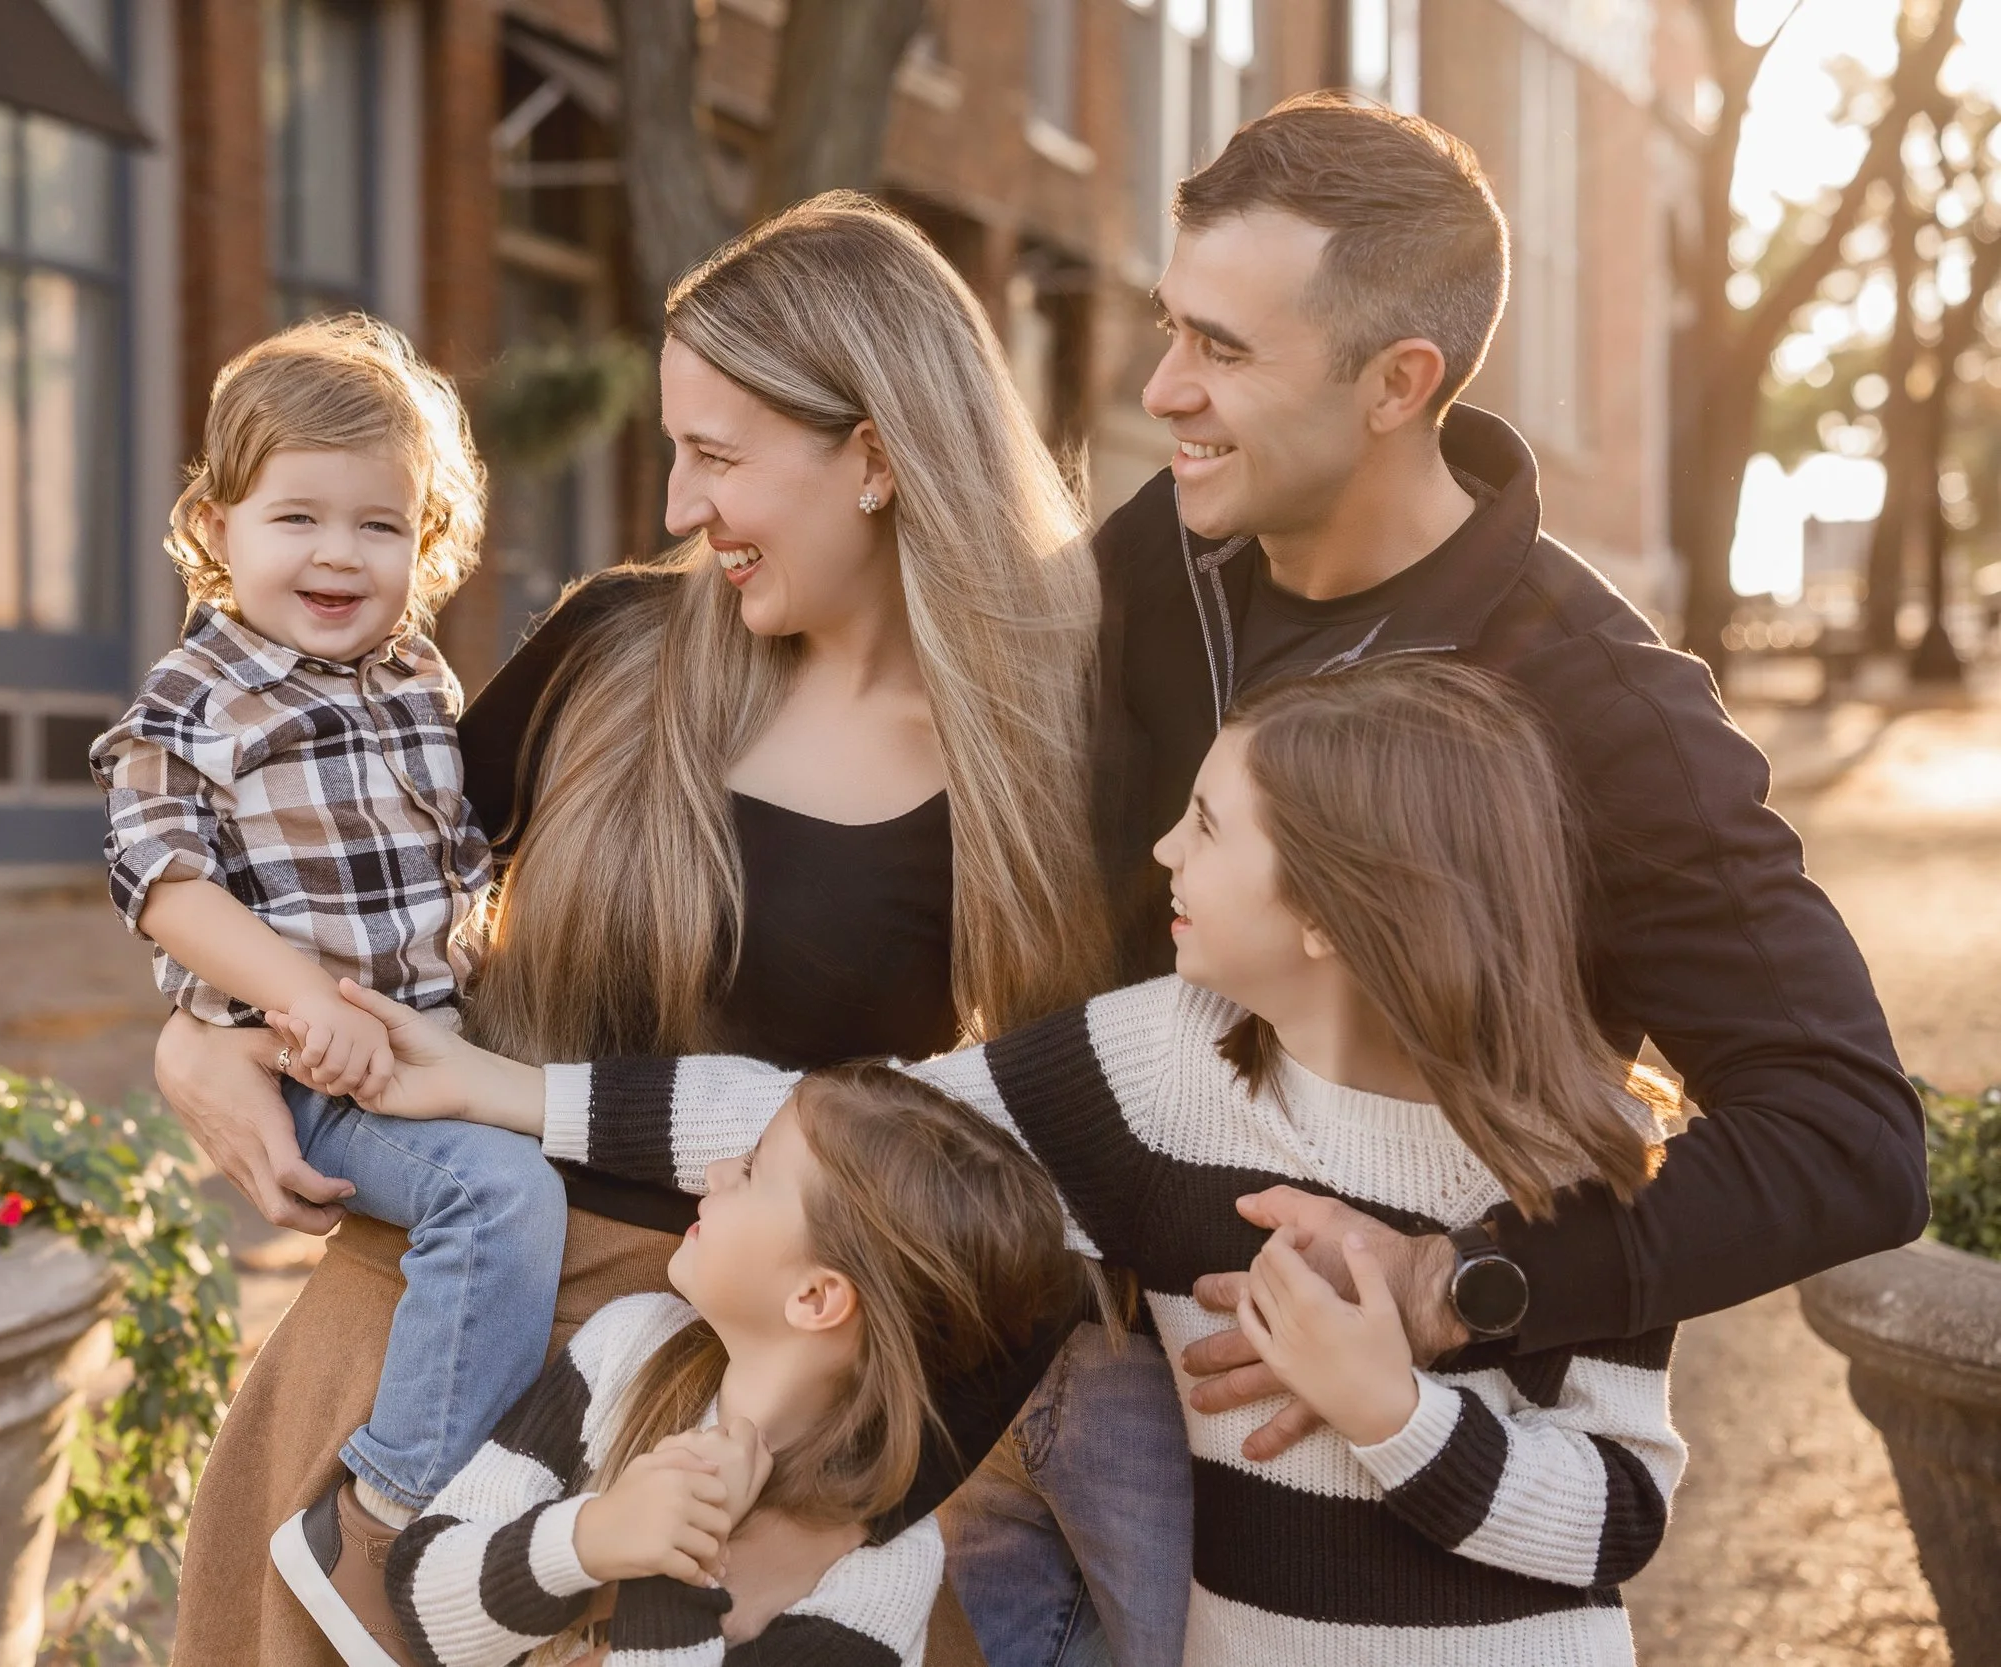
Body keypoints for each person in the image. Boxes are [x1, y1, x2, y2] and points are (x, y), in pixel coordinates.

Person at [160, 197, 1129, 1667]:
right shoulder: (614, 650)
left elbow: (1034, 1214)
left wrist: (848, 1502)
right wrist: (198, 1032)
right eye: (676, 451)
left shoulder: (1042, 762)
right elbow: (326, 872)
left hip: (702, 1442)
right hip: (406, 1369)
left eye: (717, 456)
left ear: (876, 455)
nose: (678, 505)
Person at [335, 654, 1690, 1664]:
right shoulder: (1166, 1064)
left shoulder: (1588, 1152)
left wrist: (1391, 1411)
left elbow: (1620, 1514)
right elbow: (853, 1135)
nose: (1162, 847)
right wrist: (503, 1088)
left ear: (1339, 908)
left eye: (1209, 825)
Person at [1088, 93, 1923, 1482]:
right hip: (1105, 1423)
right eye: (1170, 325)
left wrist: (1453, 1280)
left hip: (1406, 1497)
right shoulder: (1154, 561)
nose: (1162, 389)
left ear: (1396, 383)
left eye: (1222, 349)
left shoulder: (1608, 713)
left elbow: (1847, 1139)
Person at [88, 317, 566, 1656]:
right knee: (499, 1193)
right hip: (312, 1068)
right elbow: (163, 880)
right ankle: (384, 1515)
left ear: (430, 540)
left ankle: (487, 1468)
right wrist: (298, 1004)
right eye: (296, 516)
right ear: (216, 524)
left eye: (379, 525)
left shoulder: (415, 674)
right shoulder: (198, 691)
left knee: (540, 1166)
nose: (339, 556)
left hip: (426, 1044)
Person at [279, 1064, 1092, 1667]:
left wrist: (673, 1565)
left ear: (816, 1296)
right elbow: (422, 1600)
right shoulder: (632, 1347)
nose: (715, 1172)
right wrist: (591, 1537)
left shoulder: (880, 1576)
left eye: (754, 1171)